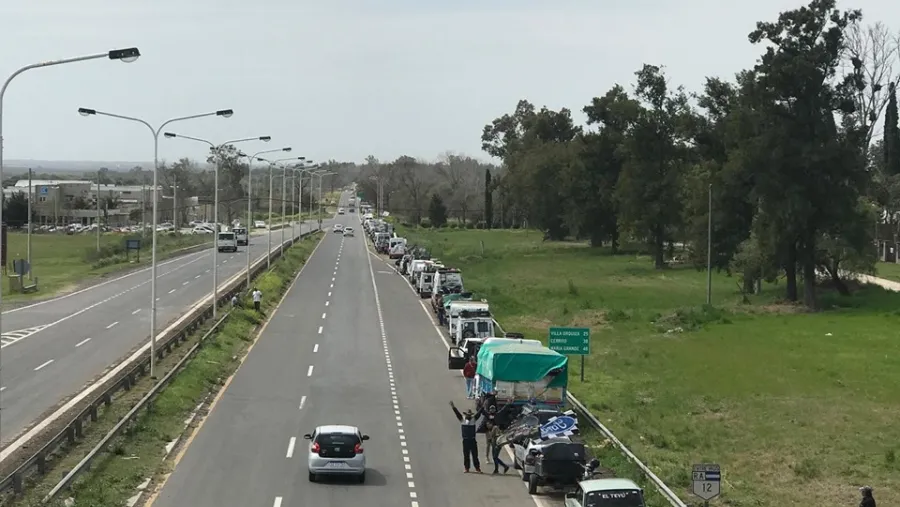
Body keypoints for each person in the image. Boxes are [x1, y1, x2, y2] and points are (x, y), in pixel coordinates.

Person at [450, 401, 483, 473]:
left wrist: (482, 406)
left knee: (475, 455)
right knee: (466, 455)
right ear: (466, 415)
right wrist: (453, 407)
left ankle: (477, 468)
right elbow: (457, 414)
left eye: (470, 415)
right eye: (468, 415)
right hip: (465, 440)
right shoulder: (462, 419)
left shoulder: (473, 419)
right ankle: (466, 468)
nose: (469, 416)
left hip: (472, 440)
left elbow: (479, 413)